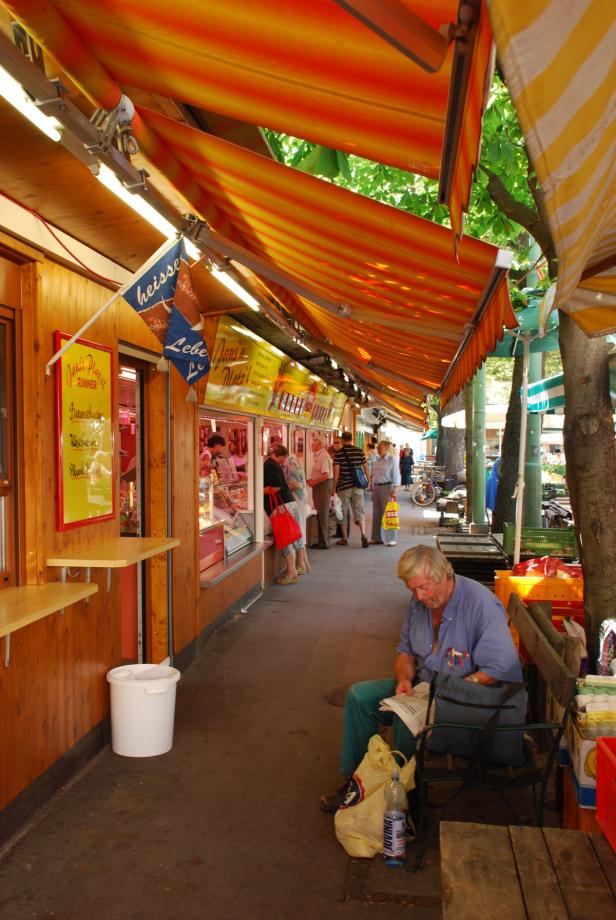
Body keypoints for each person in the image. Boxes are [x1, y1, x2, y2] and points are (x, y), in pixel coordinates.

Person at [320, 545, 522, 812]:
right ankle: (356, 785)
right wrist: (404, 678)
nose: (418, 595)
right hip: (426, 688)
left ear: (444, 576)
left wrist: (453, 692)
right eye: (412, 589)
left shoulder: (480, 605)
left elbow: (498, 669)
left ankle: (405, 803)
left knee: (406, 721)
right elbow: (405, 651)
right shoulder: (419, 603)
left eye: (423, 587)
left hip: (469, 702)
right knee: (359, 697)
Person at [263, 447, 308, 584]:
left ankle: (291, 573)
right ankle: (301, 565)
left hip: (281, 507)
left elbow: (275, 487)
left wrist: (259, 489)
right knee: (295, 535)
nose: (284, 461)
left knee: (286, 539)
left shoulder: (269, 465)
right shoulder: (275, 465)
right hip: (290, 503)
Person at [333, 431, 370, 548]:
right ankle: (363, 534)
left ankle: (344, 538)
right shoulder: (359, 451)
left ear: (342, 440)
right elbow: (365, 467)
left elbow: (336, 473)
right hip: (358, 486)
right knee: (359, 510)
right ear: (352, 439)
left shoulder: (338, 454)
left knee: (343, 512)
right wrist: (368, 481)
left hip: (344, 487)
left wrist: (334, 487)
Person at [276, 444, 309, 557]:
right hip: (300, 498)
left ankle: (302, 562)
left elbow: (294, 485)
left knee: (298, 528)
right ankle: (303, 562)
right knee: (300, 527)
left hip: (296, 498)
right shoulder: (293, 461)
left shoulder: (290, 464)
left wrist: (280, 486)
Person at [370, 440, 401, 546]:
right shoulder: (377, 460)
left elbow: (396, 474)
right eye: (378, 447)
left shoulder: (392, 459)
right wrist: (372, 488)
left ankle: (391, 538)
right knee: (376, 514)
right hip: (377, 488)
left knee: (389, 513)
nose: (378, 449)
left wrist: (395, 489)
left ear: (386, 448)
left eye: (381, 447)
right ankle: (376, 538)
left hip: (387, 488)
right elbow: (374, 475)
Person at [307, 432, 333, 549]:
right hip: (319, 486)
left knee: (322, 513)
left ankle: (324, 542)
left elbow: (326, 475)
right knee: (320, 512)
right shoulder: (318, 455)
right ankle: (323, 540)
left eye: (313, 443)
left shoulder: (323, 456)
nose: (311, 445)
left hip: (323, 486)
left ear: (319, 444)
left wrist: (313, 482)